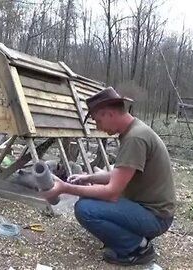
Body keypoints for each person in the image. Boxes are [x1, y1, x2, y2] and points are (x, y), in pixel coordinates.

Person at [41, 87, 176, 266]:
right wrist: (88, 178)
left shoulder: (135, 138)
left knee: (85, 209)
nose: (98, 127)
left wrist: (65, 188)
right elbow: (120, 174)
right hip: (149, 209)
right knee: (89, 196)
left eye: (98, 120)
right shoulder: (135, 131)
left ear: (109, 114)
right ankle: (133, 235)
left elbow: (112, 192)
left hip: (155, 217)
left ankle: (136, 247)